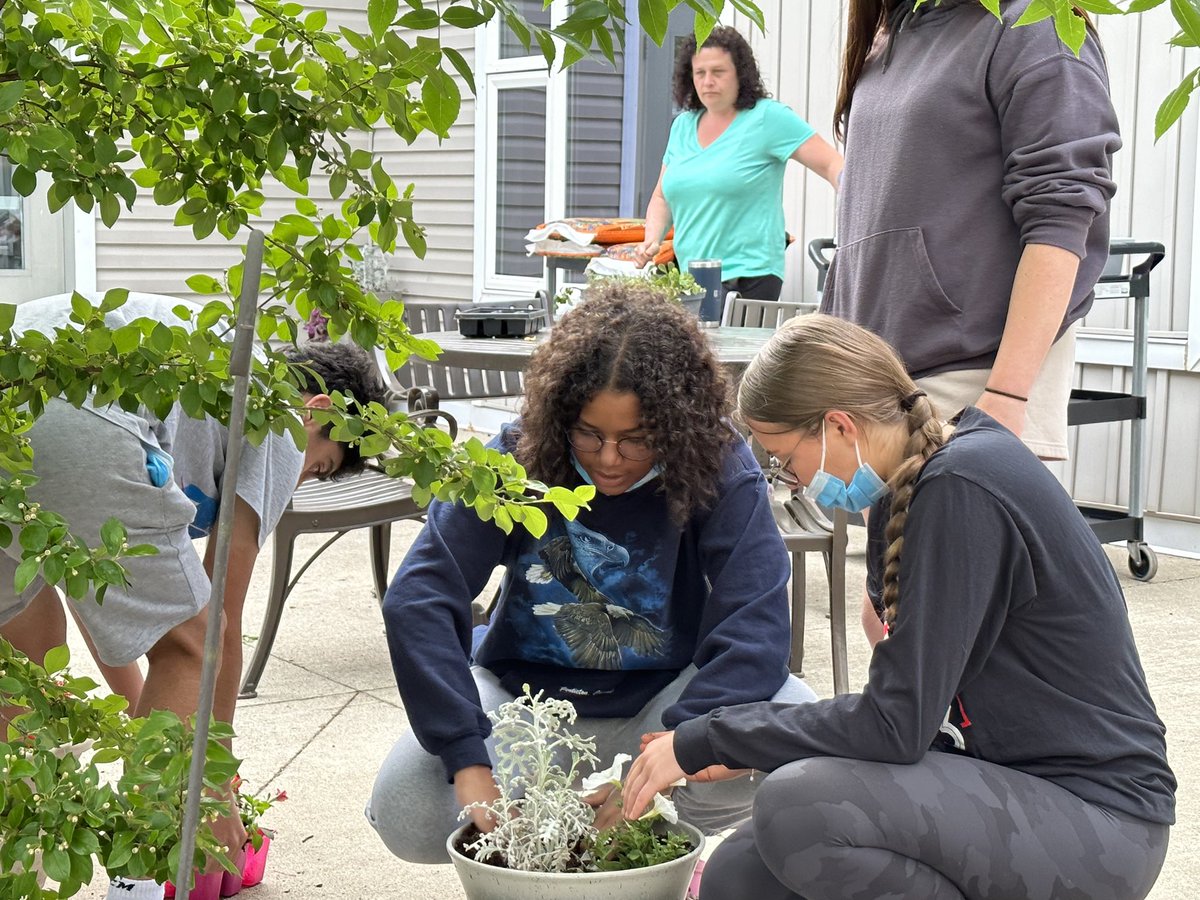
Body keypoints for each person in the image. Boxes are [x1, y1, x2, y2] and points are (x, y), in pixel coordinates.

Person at [623, 314, 1175, 900]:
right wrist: (744, 745)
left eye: (785, 458)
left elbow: (894, 726)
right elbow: (904, 715)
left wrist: (713, 737)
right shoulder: (910, 488)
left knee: (799, 808)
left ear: (838, 426)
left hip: (1098, 823)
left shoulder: (963, 485)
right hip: (1002, 782)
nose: (792, 482)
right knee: (741, 871)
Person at [366, 281, 815, 863]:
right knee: (409, 811)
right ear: (561, 416)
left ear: (676, 425)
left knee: (800, 754)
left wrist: (678, 752)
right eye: (589, 433)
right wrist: (467, 758)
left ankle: (626, 827)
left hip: (669, 702)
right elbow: (419, 597)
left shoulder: (719, 462)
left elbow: (756, 622)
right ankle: (571, 829)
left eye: (636, 440)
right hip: (525, 703)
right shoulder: (514, 456)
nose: (608, 458)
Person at [0, 292, 388, 900]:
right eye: (321, 465)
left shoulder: (214, 380)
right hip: (87, 418)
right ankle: (139, 883)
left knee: (20, 665)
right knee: (194, 647)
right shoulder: (276, 415)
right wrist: (210, 784)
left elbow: (104, 587)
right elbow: (215, 624)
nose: (303, 478)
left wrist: (147, 718)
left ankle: (15, 873)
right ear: (322, 413)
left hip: (13, 382)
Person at [823, 0, 1120, 462]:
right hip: (880, 379)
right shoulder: (893, 31)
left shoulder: (1033, 23)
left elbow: (1061, 216)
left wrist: (1008, 396)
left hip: (974, 380)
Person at [632, 26, 842, 301]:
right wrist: (652, 240)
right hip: (691, 279)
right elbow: (662, 196)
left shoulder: (768, 118)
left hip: (750, 277)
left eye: (718, 72)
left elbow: (832, 165)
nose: (708, 81)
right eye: (700, 73)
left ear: (740, 74)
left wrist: (863, 217)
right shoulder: (683, 126)